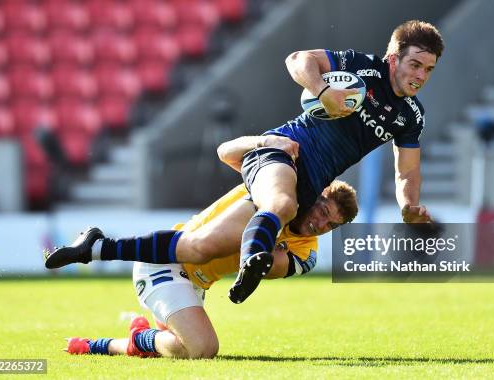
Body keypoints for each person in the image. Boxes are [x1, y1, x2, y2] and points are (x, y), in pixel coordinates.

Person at [222, 20, 443, 302]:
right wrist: (323, 92)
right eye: (415, 64)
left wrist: (408, 206)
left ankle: (161, 271)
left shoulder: (411, 116)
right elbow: (298, 59)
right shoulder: (361, 67)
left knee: (201, 247)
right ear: (393, 58)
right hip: (286, 149)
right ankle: (250, 261)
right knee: (280, 205)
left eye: (429, 69)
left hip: (312, 184)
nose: (421, 75)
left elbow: (408, 171)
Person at [61, 180, 358, 359]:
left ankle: (131, 338)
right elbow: (228, 152)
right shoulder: (273, 189)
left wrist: (266, 252)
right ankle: (120, 342)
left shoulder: (308, 252)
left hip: (195, 284)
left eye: (331, 225)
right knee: (203, 349)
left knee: (179, 349)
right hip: (166, 262)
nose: (320, 225)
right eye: (322, 212)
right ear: (314, 195)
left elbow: (267, 266)